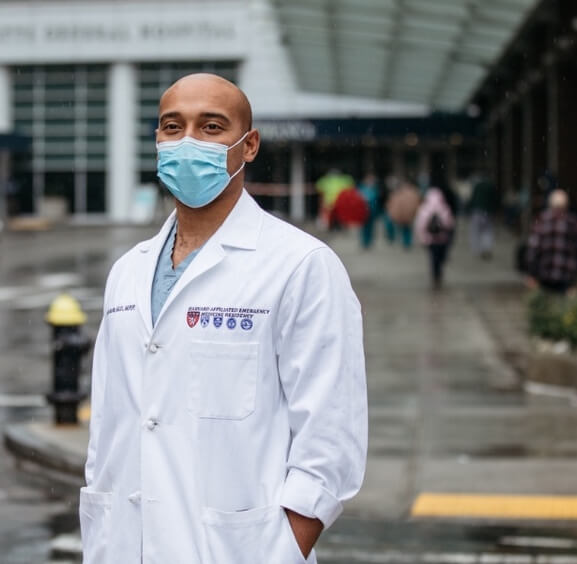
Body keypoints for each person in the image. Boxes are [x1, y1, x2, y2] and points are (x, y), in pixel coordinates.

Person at [80, 74, 367, 564]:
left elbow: (330, 442)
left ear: (248, 145)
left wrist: (278, 550)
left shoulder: (300, 266)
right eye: (173, 127)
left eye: (211, 127)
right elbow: (109, 428)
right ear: (157, 141)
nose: (188, 141)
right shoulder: (128, 272)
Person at [526, 189, 577, 294]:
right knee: (562, 308)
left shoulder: (542, 220)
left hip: (545, 273)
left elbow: (533, 249)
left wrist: (532, 274)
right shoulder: (572, 222)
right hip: (565, 275)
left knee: (545, 306)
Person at [415, 187, 455, 289]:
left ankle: (435, 273)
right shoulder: (444, 208)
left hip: (430, 240)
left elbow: (420, 226)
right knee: (440, 256)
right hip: (442, 239)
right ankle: (439, 271)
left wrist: (422, 238)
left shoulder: (424, 208)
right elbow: (449, 224)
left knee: (433, 257)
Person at [468, 174, 498, 259]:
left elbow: (472, 199)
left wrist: (469, 209)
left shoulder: (477, 186)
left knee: (476, 231)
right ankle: (486, 248)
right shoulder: (491, 186)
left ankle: (477, 250)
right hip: (488, 212)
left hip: (477, 211)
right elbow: (495, 199)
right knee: (487, 231)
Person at [357, 172, 381, 249]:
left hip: (371, 212)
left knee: (370, 228)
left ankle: (368, 242)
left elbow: (376, 200)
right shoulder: (362, 188)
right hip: (363, 211)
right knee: (364, 228)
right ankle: (364, 242)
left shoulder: (374, 188)